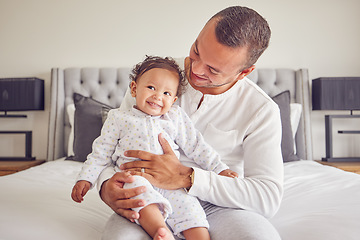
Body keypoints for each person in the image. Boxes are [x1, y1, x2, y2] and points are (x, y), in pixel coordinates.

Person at [98, 6, 284, 240]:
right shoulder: (154, 77)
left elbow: (267, 198)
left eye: (212, 69)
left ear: (243, 73)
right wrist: (106, 188)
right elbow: (111, 147)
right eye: (196, 51)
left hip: (221, 207)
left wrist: (188, 177)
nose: (194, 69)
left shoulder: (261, 110)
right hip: (147, 199)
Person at [71, 56, 238, 240]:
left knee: (191, 211)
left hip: (172, 181)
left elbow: (197, 146)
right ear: (134, 89)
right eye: (151, 87)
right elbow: (101, 152)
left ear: (173, 100)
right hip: (135, 177)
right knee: (139, 198)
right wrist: (86, 179)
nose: (158, 96)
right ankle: (161, 231)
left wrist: (220, 168)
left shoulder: (174, 117)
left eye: (166, 93)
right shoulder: (119, 118)